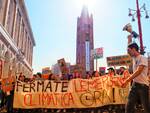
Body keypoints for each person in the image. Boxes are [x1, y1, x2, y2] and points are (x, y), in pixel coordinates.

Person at [122, 42, 150, 113]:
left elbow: (139, 71)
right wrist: (129, 37)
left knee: (146, 108)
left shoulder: (143, 58)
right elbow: (129, 43)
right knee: (129, 107)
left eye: (129, 51)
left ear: (134, 49)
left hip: (143, 87)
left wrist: (127, 80)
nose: (128, 53)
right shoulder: (134, 58)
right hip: (134, 86)